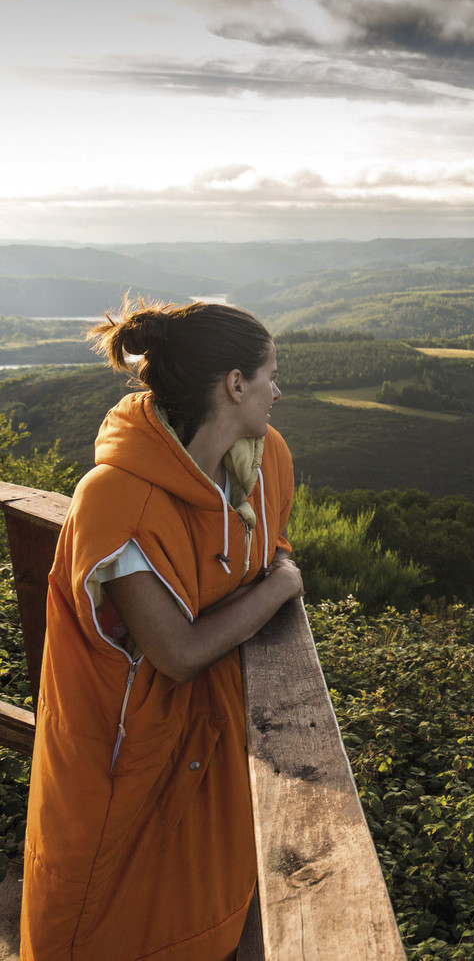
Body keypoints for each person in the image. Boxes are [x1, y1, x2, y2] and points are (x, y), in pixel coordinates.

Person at [20, 299, 303, 960]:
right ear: (235, 384)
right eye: (270, 374)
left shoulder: (261, 462)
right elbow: (176, 652)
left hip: (210, 748)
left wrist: (274, 570)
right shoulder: (116, 498)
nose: (278, 390)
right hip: (117, 756)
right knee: (94, 918)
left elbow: (270, 542)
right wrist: (283, 585)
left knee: (200, 907)